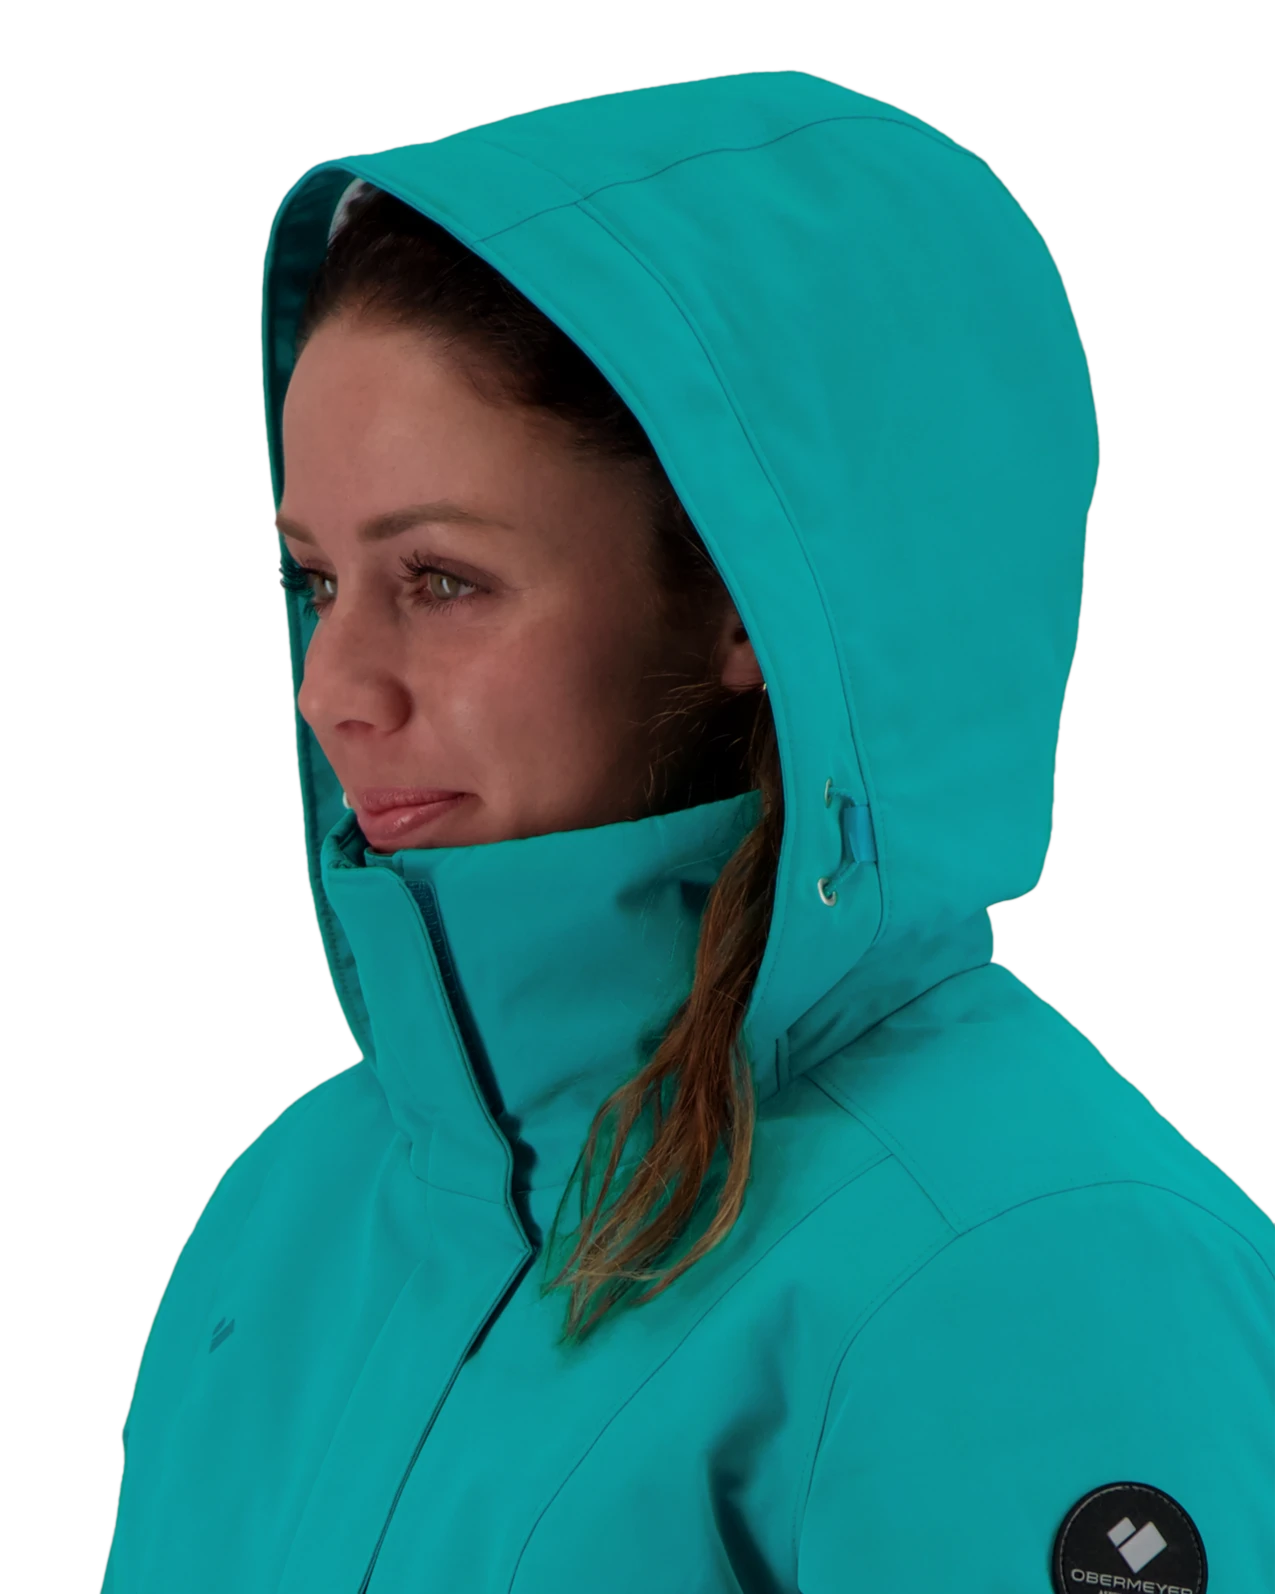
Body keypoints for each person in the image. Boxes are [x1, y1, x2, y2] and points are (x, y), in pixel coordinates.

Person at [105, 72, 1274, 1594]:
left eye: (441, 580)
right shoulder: (303, 1209)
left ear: (745, 600)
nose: (334, 690)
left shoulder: (1031, 1269)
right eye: (318, 580)